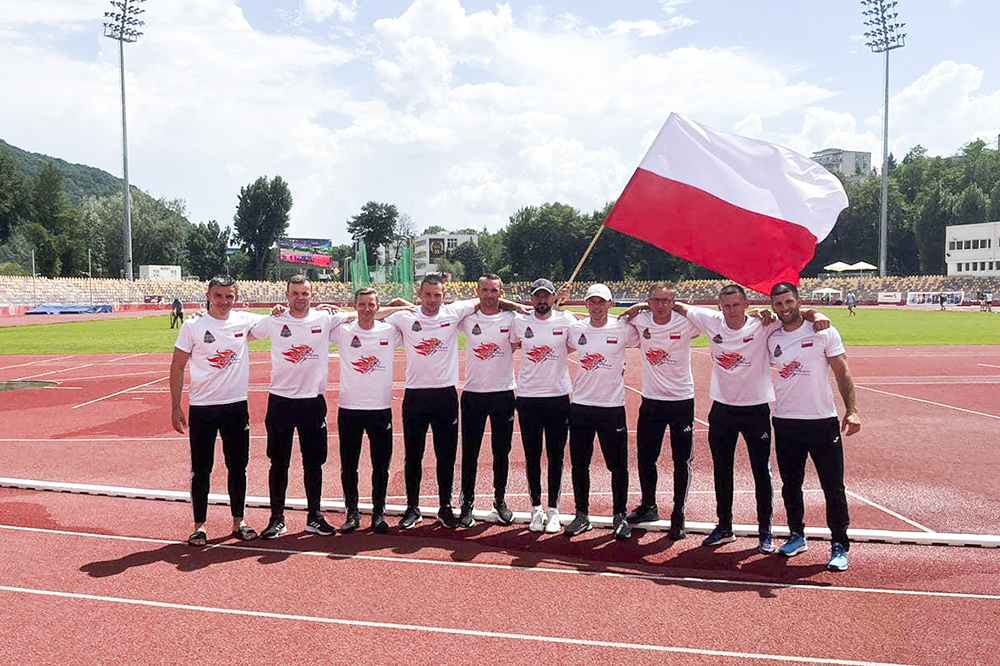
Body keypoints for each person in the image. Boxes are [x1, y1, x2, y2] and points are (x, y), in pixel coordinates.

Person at [673, 284, 828, 554]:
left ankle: (765, 532)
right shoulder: (711, 320)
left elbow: (794, 313)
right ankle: (724, 526)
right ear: (720, 307)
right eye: (726, 306)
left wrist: (815, 315)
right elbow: (680, 306)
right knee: (722, 470)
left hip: (755, 409)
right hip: (722, 409)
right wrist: (639, 307)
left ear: (746, 304)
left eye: (736, 305)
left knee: (761, 473)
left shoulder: (763, 323)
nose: (731, 311)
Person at [384, 275, 520, 529]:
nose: (432, 300)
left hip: (446, 395)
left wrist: (519, 306)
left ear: (444, 296)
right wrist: (397, 305)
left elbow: (487, 300)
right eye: (428, 294)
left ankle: (446, 507)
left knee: (446, 456)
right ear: (419, 293)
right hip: (415, 395)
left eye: (437, 295)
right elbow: (372, 316)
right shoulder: (405, 315)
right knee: (414, 455)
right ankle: (413, 507)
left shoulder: (455, 312)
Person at [768, 282, 861, 571]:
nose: (784, 308)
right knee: (790, 485)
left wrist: (853, 411)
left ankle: (839, 545)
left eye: (788, 302)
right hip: (786, 421)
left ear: (798, 301)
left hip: (822, 421)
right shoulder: (771, 336)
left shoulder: (823, 331)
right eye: (778, 304)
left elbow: (842, 370)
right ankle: (797, 535)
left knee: (833, 487)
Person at [169, 276, 263, 547]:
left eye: (229, 296)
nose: (224, 301)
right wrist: (176, 406)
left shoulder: (244, 321)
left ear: (236, 298)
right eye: (219, 296)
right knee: (202, 469)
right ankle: (200, 526)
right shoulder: (193, 325)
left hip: (235, 406)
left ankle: (239, 521)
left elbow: (279, 321)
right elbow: (176, 366)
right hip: (202, 408)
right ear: (208, 295)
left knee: (238, 466)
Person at [249, 275, 341, 540]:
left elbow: (368, 312)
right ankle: (277, 519)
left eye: (305, 293)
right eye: (295, 293)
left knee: (314, 463)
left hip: (312, 402)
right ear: (287, 295)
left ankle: (315, 517)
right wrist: (204, 314)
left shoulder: (325, 318)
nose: (300, 298)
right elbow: (239, 327)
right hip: (280, 402)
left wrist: (405, 307)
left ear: (312, 295)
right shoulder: (275, 320)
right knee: (279, 463)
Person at [619, 283, 701, 540]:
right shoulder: (642, 322)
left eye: (667, 301)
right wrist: (638, 308)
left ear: (674, 302)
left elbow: (711, 319)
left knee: (681, 460)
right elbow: (622, 322)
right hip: (652, 401)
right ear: (649, 301)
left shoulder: (686, 323)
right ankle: (648, 506)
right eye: (656, 300)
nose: (662, 305)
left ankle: (679, 514)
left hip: (681, 401)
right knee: (645, 457)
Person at [564, 283, 639, 540]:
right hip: (582, 406)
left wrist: (637, 308)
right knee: (579, 464)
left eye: (601, 302)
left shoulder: (623, 329)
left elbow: (650, 330)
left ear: (610, 303)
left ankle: (619, 515)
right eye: (592, 302)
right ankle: (582, 515)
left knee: (618, 466)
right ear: (586, 304)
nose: (596, 307)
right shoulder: (576, 329)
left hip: (612, 407)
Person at [333, 287, 403, 534]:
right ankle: (352, 513)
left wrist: (396, 306)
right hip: (350, 408)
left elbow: (414, 313)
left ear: (377, 306)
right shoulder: (342, 332)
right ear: (355, 306)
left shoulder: (391, 331)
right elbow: (321, 319)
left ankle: (378, 513)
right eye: (361, 305)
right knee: (349, 465)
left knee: (380, 465)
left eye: (371, 305)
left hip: (380, 408)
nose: (366, 309)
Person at [510, 278, 577, 533]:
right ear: (531, 299)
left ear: (553, 298)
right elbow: (512, 344)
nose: (542, 300)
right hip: (528, 398)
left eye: (546, 296)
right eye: (537, 296)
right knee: (532, 456)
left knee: (556, 456)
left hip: (558, 397)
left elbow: (572, 346)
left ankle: (554, 510)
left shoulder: (566, 321)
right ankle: (536, 509)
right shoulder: (520, 322)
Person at [457, 274, 517, 527]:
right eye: (485, 289)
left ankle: (500, 499)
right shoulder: (467, 318)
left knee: (501, 452)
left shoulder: (512, 319)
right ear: (477, 291)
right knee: (470, 452)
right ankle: (467, 503)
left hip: (503, 393)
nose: (490, 294)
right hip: (473, 394)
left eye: (494, 290)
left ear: (501, 292)